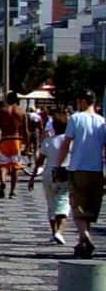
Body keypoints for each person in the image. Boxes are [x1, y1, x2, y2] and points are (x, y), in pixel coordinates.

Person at [56, 91, 106, 259]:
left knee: (77, 206)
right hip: (97, 170)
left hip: (78, 168)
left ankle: (86, 237)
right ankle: (81, 243)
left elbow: (66, 143)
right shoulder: (102, 121)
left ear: (84, 101)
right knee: (90, 209)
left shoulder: (76, 118)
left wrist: (57, 164)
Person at [0, 91, 29, 198]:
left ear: (7, 100)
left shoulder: (2, 111)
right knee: (16, 167)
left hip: (5, 139)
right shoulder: (21, 112)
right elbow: (26, 130)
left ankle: (3, 181)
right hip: (16, 140)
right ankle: (12, 191)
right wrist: (27, 146)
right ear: (17, 100)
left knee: (3, 165)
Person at [45, 110, 72, 245]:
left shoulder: (48, 141)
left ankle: (53, 232)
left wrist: (32, 177)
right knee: (63, 202)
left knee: (51, 204)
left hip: (48, 174)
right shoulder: (71, 142)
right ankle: (59, 232)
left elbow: (39, 160)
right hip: (65, 173)